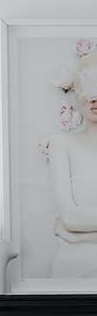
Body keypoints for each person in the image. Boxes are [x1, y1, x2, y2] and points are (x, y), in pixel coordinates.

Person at [50, 54, 97, 277]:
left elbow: (72, 225)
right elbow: (69, 218)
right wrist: (75, 226)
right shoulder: (62, 144)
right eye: (87, 86)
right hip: (72, 272)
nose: (93, 98)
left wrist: (83, 235)